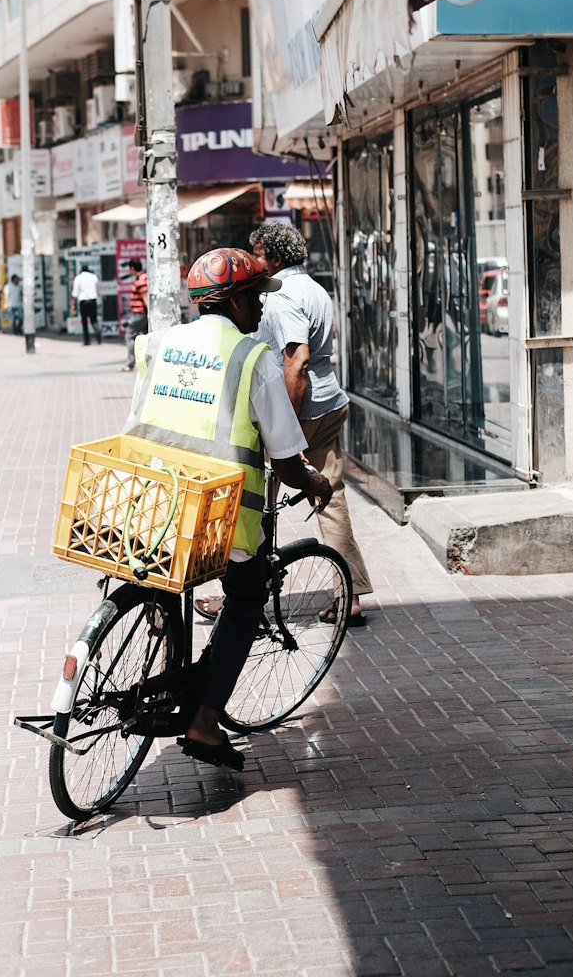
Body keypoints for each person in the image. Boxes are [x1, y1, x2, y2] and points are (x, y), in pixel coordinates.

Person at [126, 247, 332, 772]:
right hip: (220, 515)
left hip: (151, 502)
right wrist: (314, 481)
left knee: (164, 577)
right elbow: (285, 459)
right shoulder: (251, 358)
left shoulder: (158, 343)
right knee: (246, 596)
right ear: (235, 301)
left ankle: (163, 647)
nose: (262, 311)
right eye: (255, 300)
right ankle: (202, 721)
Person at [248, 221, 374, 626]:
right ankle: (350, 594)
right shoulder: (315, 288)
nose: (255, 262)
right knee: (330, 496)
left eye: (258, 255)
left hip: (303, 408)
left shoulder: (281, 295)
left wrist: (287, 427)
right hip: (329, 399)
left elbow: (296, 360)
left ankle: (247, 594)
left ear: (275, 258)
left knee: (253, 499)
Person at [122, 258, 148, 372]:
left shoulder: (140, 280)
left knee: (129, 335)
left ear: (132, 268)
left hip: (140, 313)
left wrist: (149, 313)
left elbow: (145, 296)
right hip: (141, 313)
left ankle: (130, 363)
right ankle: (145, 362)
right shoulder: (143, 277)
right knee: (146, 337)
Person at [72, 264, 103, 346]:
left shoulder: (78, 278)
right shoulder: (94, 277)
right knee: (94, 320)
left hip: (83, 302)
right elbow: (98, 289)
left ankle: (87, 340)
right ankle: (98, 332)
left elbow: (75, 293)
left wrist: (73, 303)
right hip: (93, 300)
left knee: (84, 321)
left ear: (81, 270)